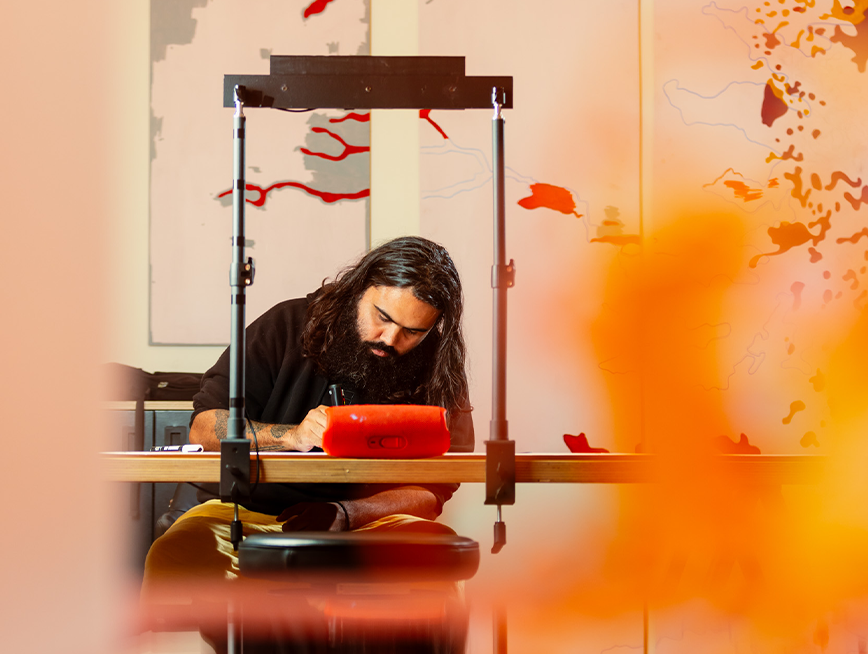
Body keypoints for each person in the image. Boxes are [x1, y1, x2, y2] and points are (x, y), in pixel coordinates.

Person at [142, 236, 474, 604]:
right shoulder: (283, 325)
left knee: (437, 573)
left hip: (373, 519)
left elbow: (437, 485)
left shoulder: (438, 364)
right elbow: (205, 428)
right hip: (247, 511)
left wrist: (348, 514)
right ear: (358, 289)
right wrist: (290, 435)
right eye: (382, 317)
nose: (391, 338)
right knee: (178, 554)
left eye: (414, 331)